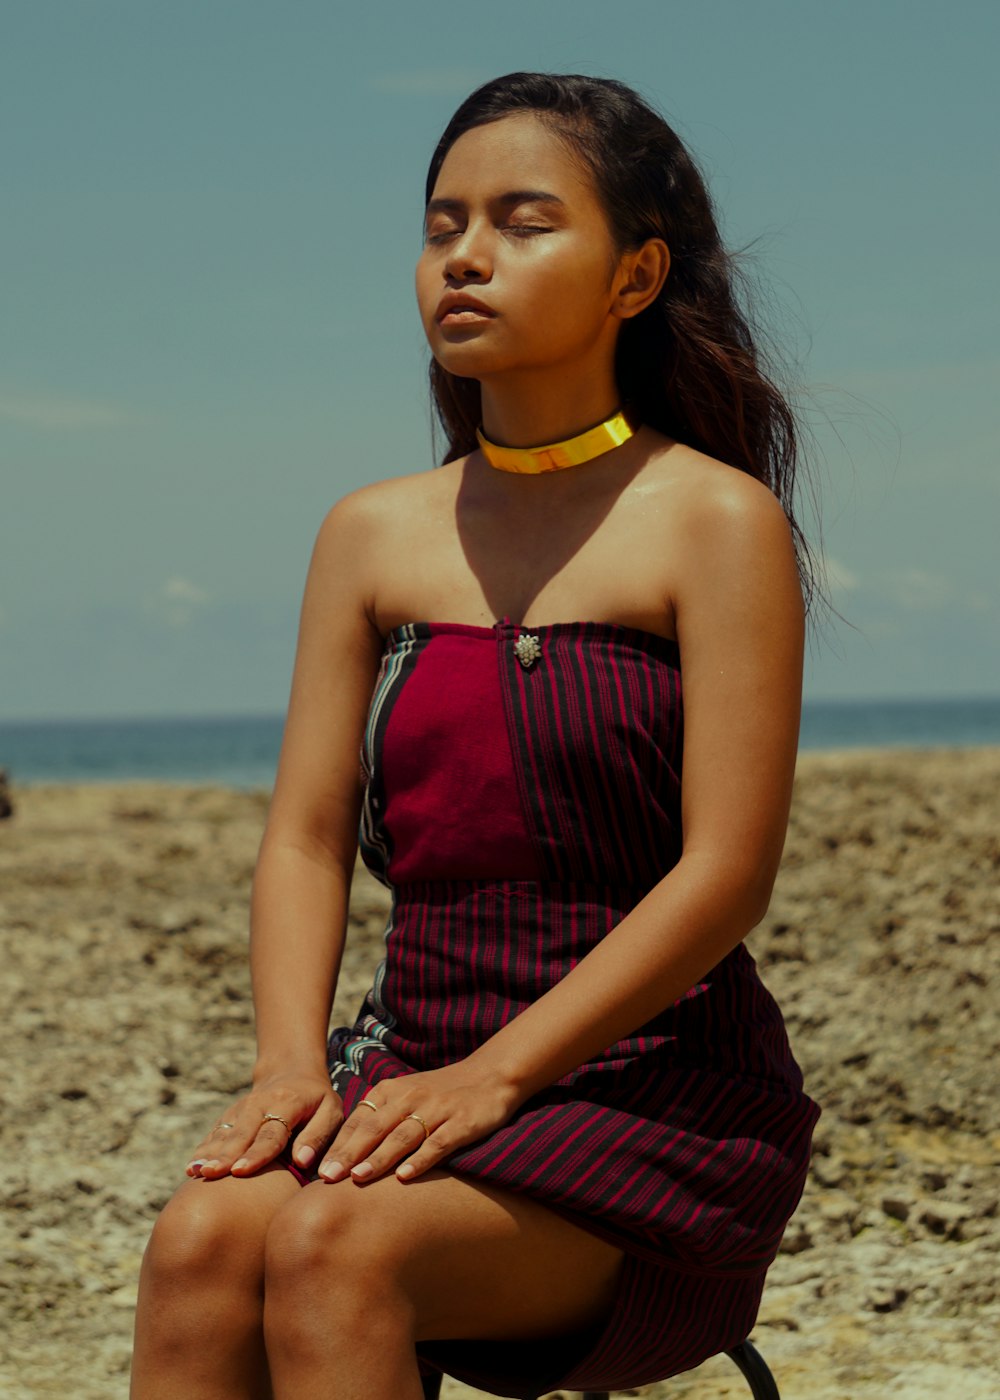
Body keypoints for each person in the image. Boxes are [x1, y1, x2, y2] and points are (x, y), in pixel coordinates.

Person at [130, 71, 823, 1400]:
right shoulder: (371, 532)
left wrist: (497, 1079)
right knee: (205, 1238)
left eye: (522, 221)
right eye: (443, 224)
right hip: (408, 1062)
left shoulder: (714, 521)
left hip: (653, 1095)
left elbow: (726, 873)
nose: (466, 257)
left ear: (635, 277)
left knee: (334, 1246)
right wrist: (289, 1068)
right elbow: (306, 835)